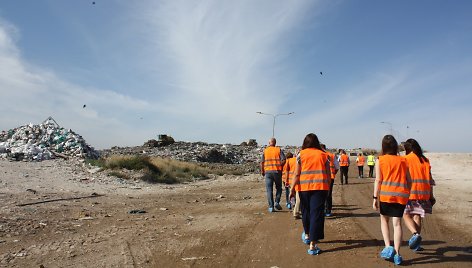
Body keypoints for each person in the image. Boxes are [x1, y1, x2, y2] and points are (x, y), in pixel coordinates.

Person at [373, 135, 411, 265]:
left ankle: (388, 247)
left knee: (384, 220)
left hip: (386, 195)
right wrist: (408, 193)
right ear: (395, 146)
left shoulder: (380, 160)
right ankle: (397, 254)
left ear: (383, 146)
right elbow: (409, 180)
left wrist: (374, 197)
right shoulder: (403, 160)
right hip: (400, 195)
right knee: (397, 224)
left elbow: (378, 180)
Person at [290, 133, 331, 255]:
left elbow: (297, 174)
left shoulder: (300, 155)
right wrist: (328, 188)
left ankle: (307, 234)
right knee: (316, 214)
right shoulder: (324, 155)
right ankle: (313, 245)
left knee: (306, 212)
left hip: (303, 188)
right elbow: (328, 174)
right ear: (317, 143)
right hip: (320, 188)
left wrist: (292, 189)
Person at [402, 138, 436, 252]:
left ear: (407, 149)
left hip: (410, 193)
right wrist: (431, 196)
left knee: (405, 214)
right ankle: (416, 245)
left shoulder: (405, 159)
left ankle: (415, 234)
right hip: (424, 194)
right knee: (416, 216)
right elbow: (430, 179)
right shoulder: (425, 160)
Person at [261, 138, 286, 212]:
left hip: (268, 172)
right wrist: (279, 166)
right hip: (277, 172)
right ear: (275, 143)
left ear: (269, 143)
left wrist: (262, 171)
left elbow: (262, 162)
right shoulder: (278, 150)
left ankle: (271, 207)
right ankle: (277, 202)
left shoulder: (265, 151)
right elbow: (284, 160)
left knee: (269, 190)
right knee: (279, 188)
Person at [322, 144, 339, 217]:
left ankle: (322, 210)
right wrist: (334, 173)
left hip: (321, 178)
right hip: (330, 177)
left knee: (321, 194)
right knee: (328, 194)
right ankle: (328, 210)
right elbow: (337, 167)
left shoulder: (319, 155)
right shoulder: (332, 155)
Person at [284, 152, 302, 218]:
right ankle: (296, 209)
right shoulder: (299, 159)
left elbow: (286, 171)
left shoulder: (288, 161)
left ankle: (293, 205)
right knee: (298, 195)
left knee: (292, 194)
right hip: (299, 180)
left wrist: (286, 181)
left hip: (291, 180)